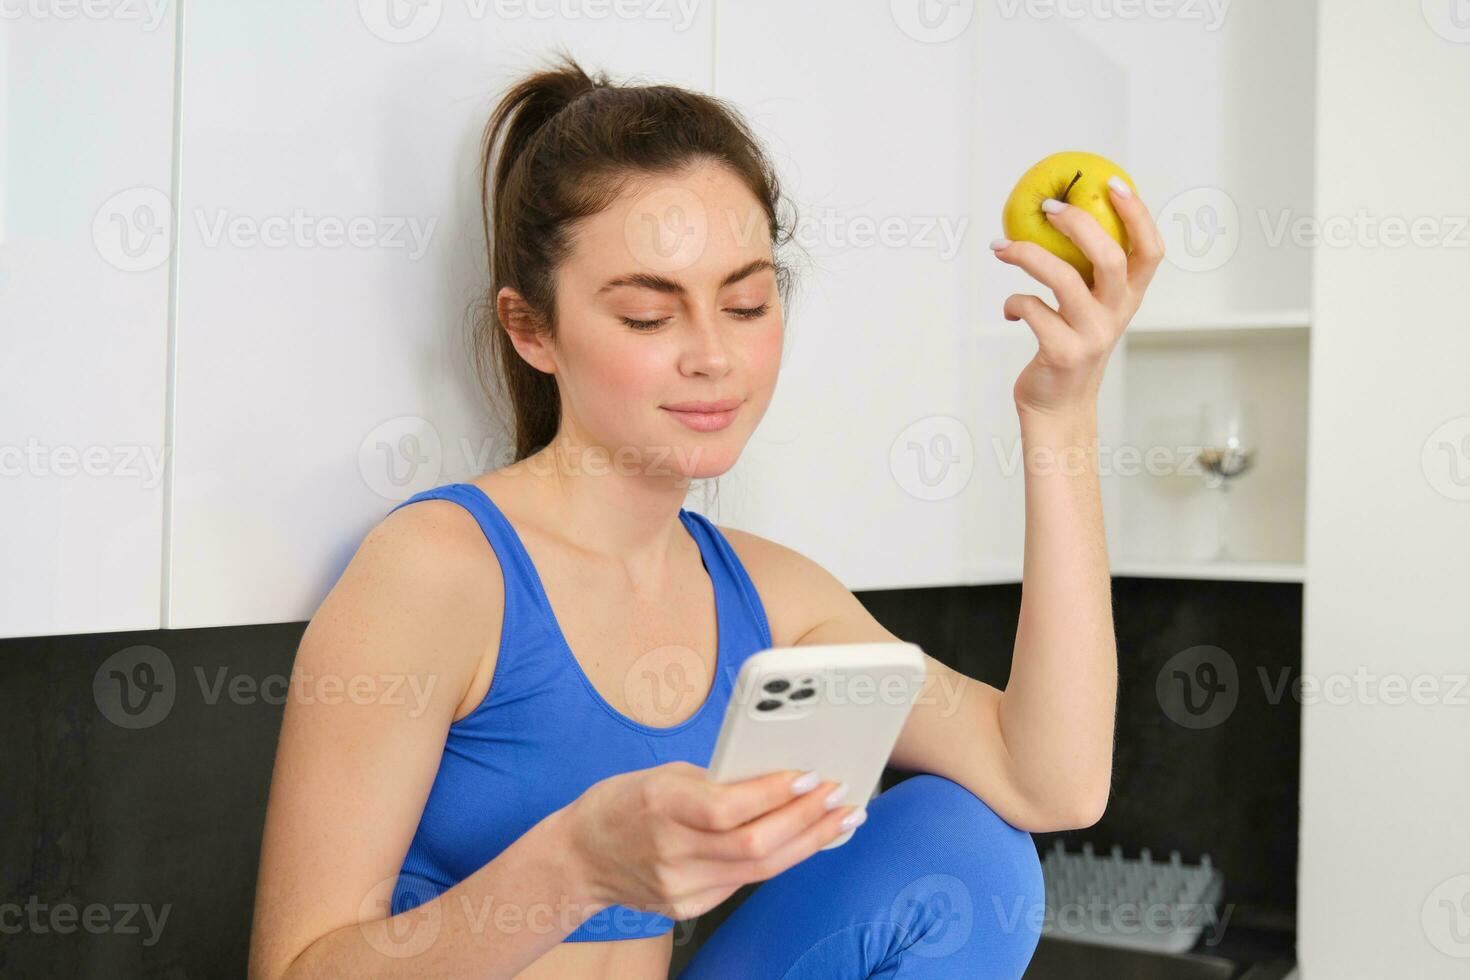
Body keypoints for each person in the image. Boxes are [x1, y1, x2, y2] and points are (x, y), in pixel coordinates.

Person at [247, 49, 1164, 980]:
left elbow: (1050, 781)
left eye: (746, 303)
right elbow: (294, 969)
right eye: (650, 316)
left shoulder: (768, 597)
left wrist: (1060, 413)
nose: (713, 356)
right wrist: (576, 864)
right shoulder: (438, 572)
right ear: (532, 330)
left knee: (962, 842)